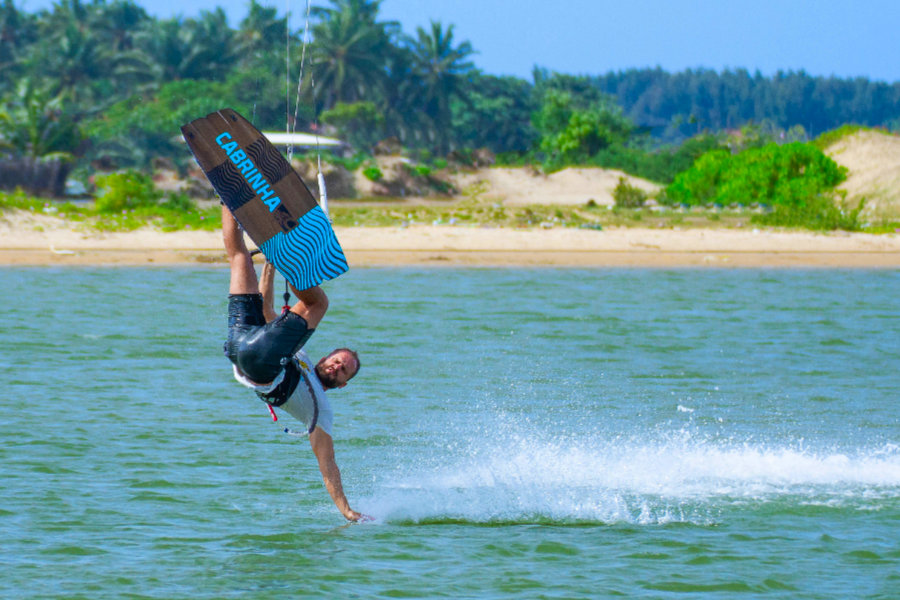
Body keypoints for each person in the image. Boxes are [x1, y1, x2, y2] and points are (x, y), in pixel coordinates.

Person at [221, 205, 367, 521]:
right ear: (326, 356)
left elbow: (326, 462)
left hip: (254, 361)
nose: (336, 366)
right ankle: (227, 198)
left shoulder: (320, 411)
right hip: (244, 343)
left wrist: (346, 510)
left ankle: (287, 249)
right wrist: (270, 267)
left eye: (343, 370)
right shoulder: (300, 358)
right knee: (240, 258)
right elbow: (266, 311)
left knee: (318, 303)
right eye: (337, 361)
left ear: (341, 385)